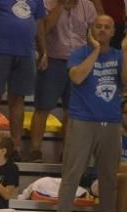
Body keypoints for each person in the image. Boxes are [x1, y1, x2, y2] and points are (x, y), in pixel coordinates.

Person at [57, 15, 127, 212]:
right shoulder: (80, 53)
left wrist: (125, 51)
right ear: (91, 30)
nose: (103, 30)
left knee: (108, 178)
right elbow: (77, 77)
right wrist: (96, 50)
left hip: (111, 123)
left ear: (114, 32)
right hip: (82, 121)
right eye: (98, 27)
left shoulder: (118, 55)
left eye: (107, 27)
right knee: (72, 174)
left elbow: (126, 80)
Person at [28, 0, 96, 161]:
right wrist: (60, 6)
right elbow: (44, 29)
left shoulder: (87, 6)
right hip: (53, 60)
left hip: (78, 64)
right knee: (42, 107)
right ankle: (35, 150)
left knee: (72, 111)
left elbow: (93, 35)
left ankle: (67, 153)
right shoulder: (47, 3)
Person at [0, 0, 47, 160]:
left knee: (18, 100)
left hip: (25, 52)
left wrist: (43, 51)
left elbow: (39, 23)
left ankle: (16, 147)